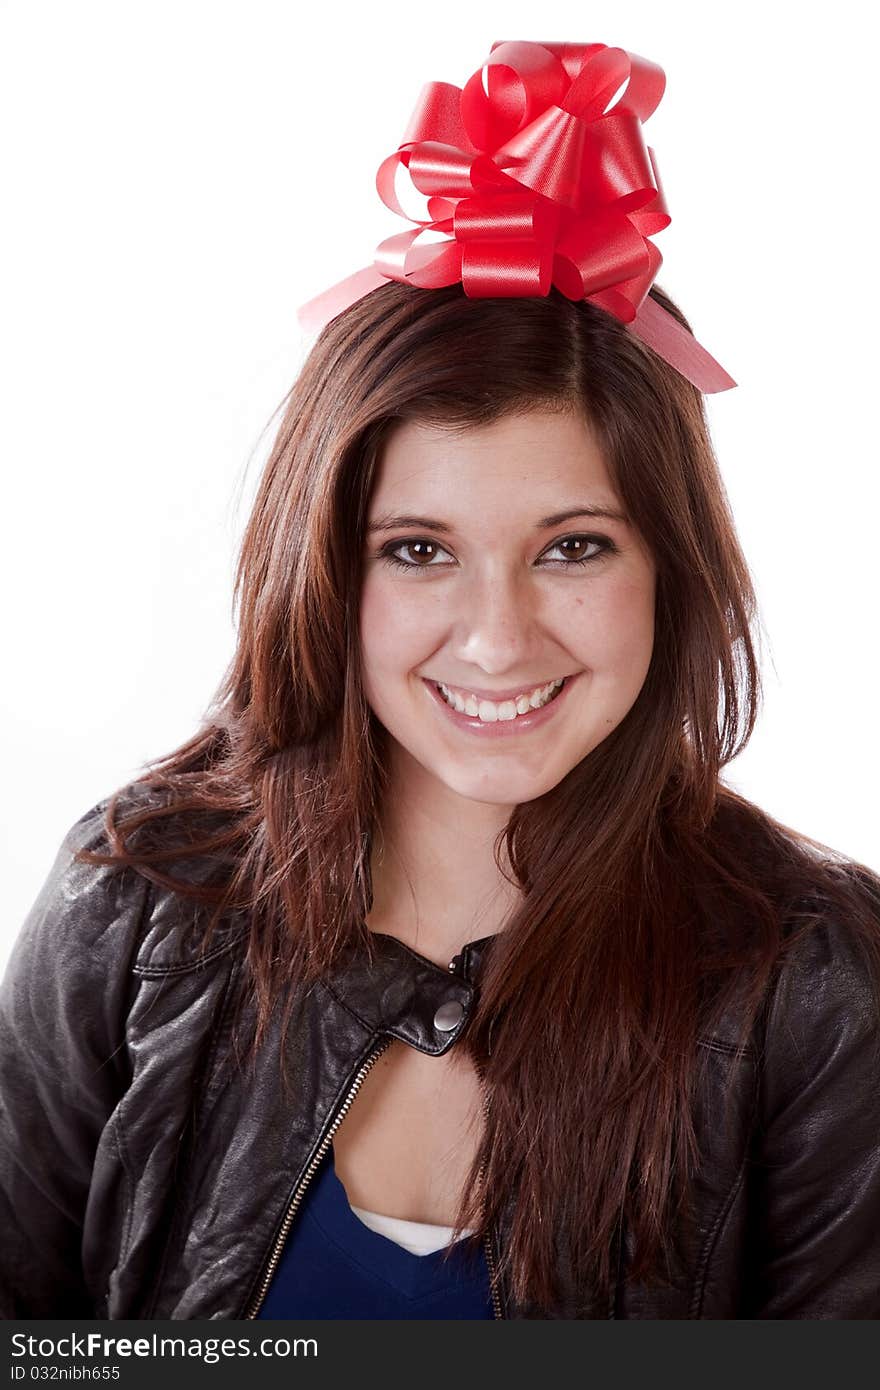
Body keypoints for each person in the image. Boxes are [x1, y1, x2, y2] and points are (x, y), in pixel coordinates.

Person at [3, 39, 880, 1321]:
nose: (494, 638)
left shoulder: (815, 981)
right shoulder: (136, 898)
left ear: (669, 567)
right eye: (418, 552)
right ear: (322, 573)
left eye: (571, 547)